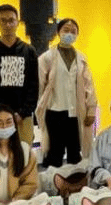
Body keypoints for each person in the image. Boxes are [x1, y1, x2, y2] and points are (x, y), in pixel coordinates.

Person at [35, 18, 98, 167]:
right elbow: (39, 85)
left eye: (73, 31)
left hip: (76, 112)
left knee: (75, 153)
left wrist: (91, 110)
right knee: (54, 154)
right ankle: (52, 180)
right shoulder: (47, 57)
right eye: (66, 30)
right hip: (54, 111)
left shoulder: (81, 58)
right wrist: (39, 108)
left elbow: (89, 85)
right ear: (58, 32)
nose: (69, 34)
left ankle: (74, 180)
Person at [0, 4, 39, 146]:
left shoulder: (29, 51)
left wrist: (23, 112)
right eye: (3, 21)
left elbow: (33, 85)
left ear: (18, 22)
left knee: (24, 151)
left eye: (11, 20)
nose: (8, 24)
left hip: (23, 117)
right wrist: (3, 113)